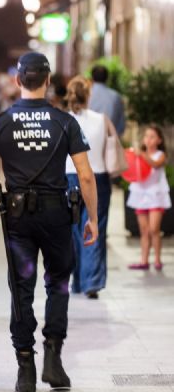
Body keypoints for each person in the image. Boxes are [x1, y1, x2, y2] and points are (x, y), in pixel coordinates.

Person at [0, 52, 98, 392]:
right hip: (56, 214)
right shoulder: (65, 122)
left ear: (17, 81)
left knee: (21, 288)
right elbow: (85, 176)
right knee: (58, 282)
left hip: (17, 218)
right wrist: (93, 220)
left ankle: (25, 367)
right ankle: (53, 358)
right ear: (47, 80)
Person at [65, 76, 112, 299]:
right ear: (89, 94)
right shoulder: (102, 120)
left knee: (72, 230)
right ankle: (91, 281)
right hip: (98, 177)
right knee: (95, 226)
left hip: (68, 178)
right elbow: (113, 145)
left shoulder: (63, 120)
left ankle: (75, 281)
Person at [126, 125, 171, 270]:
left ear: (158, 140)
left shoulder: (160, 155)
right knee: (144, 231)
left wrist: (142, 154)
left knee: (154, 229)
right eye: (146, 136)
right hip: (141, 195)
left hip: (156, 195)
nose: (148, 140)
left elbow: (156, 164)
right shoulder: (138, 155)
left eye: (152, 137)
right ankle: (144, 260)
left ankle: (157, 260)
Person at [89, 65, 125, 136]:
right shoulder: (116, 96)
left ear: (92, 78)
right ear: (107, 78)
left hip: (88, 141)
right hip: (109, 140)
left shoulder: (86, 94)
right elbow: (121, 125)